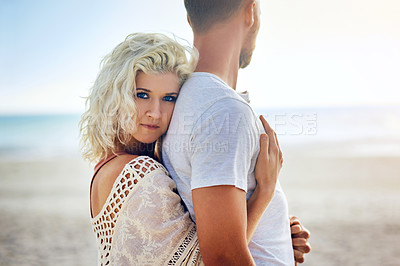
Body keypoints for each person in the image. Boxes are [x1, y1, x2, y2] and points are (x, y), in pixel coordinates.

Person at [80, 32, 309, 265]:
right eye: (142, 95)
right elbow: (213, 260)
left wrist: (275, 234)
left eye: (168, 98)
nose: (155, 113)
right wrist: (264, 194)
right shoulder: (138, 173)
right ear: (116, 95)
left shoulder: (109, 164)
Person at [162, 0, 310, 265]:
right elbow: (223, 257)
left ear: (190, 18)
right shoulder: (223, 110)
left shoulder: (181, 100)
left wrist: (275, 234)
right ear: (250, 12)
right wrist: (265, 191)